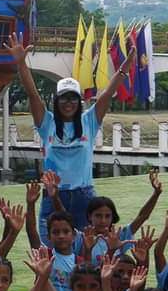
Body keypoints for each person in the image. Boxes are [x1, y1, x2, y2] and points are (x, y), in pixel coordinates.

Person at [11, 31, 135, 241]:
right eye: (64, 98)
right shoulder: (47, 123)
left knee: (86, 248)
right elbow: (32, 94)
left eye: (73, 99)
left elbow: (108, 92)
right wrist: (21, 63)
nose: (68, 103)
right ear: (56, 101)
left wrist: (127, 63)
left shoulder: (89, 121)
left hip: (83, 195)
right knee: (49, 249)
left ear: (79, 101)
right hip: (53, 194)